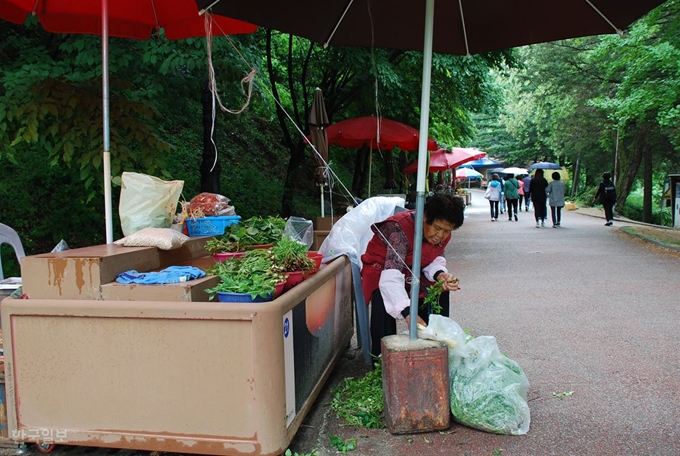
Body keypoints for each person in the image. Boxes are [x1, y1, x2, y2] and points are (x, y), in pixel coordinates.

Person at [361, 193, 465, 358]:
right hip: (382, 269)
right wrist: (408, 313)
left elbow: (433, 256)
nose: (441, 235)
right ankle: (382, 359)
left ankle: (435, 348)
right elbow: (391, 278)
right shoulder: (399, 229)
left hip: (413, 269)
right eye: (437, 228)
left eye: (447, 231)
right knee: (382, 296)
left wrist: (440, 275)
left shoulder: (441, 234)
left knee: (440, 290)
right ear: (425, 217)